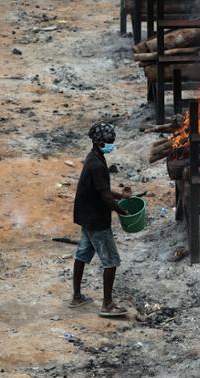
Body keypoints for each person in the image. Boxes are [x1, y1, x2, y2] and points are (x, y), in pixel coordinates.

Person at [69, 122, 130, 317]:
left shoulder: (95, 157)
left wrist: (120, 196)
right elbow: (104, 197)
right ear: (97, 142)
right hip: (96, 219)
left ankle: (77, 296)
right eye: (107, 142)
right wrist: (122, 211)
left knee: (82, 254)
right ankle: (108, 304)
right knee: (111, 260)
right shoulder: (96, 164)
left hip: (86, 216)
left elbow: (102, 189)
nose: (110, 145)